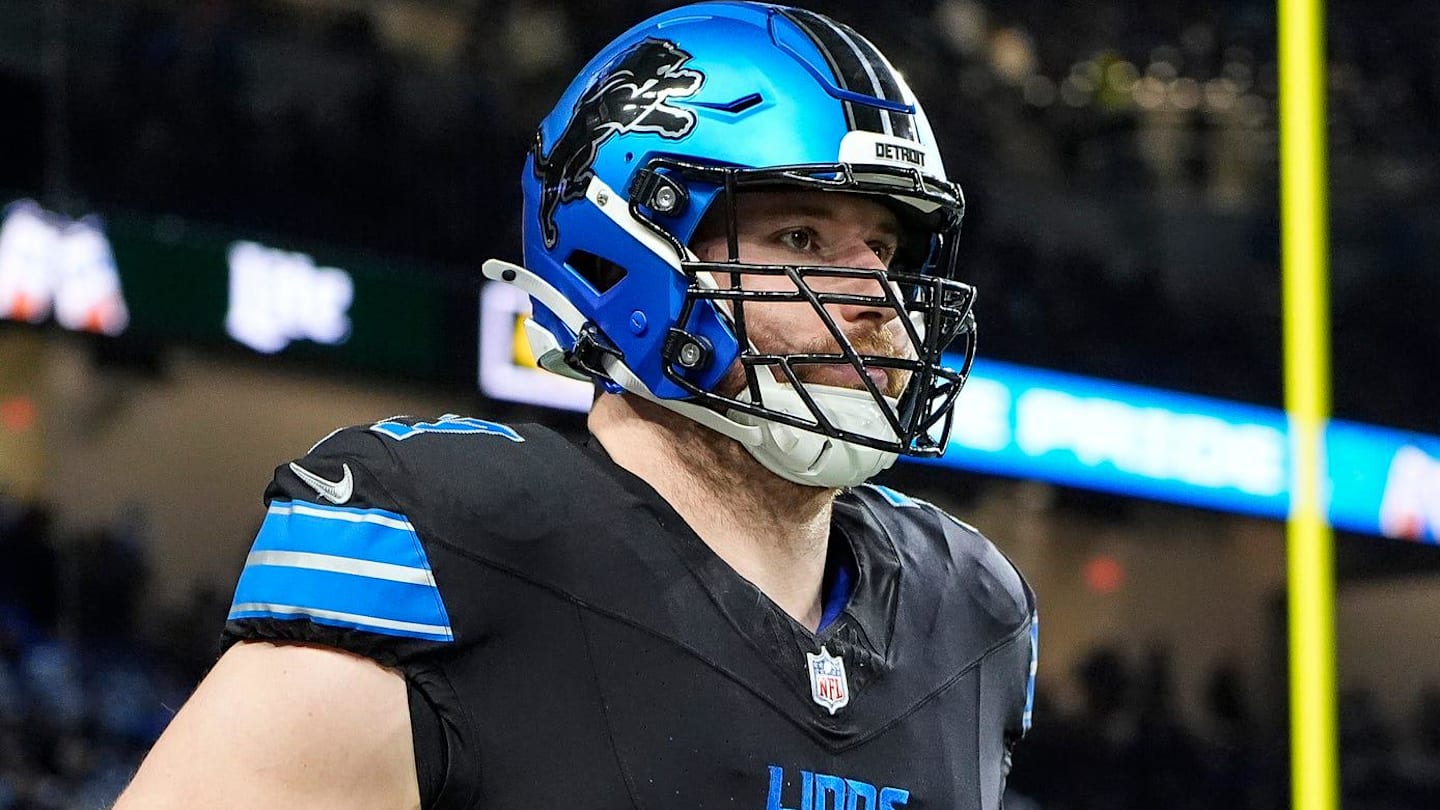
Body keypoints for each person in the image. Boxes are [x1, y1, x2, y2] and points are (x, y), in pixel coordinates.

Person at [114, 3, 1037, 808]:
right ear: (625, 248)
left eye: (884, 249)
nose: (877, 297)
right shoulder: (461, 546)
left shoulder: (970, 616)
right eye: (802, 237)